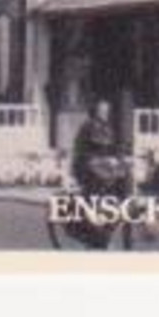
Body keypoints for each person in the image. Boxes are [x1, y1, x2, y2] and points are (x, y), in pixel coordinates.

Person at [69, 99, 125, 248]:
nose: (105, 113)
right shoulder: (88, 126)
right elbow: (87, 149)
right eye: (102, 110)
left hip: (101, 166)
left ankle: (107, 224)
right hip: (85, 166)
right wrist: (104, 160)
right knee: (96, 192)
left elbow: (114, 148)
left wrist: (121, 159)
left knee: (121, 180)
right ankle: (94, 230)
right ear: (96, 111)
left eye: (107, 111)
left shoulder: (107, 128)